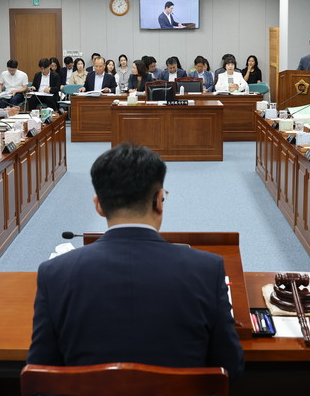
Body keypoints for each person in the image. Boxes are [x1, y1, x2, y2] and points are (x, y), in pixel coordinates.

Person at [27, 143, 244, 379]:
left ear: (99, 206)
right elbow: (231, 368)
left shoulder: (54, 273)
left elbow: (41, 373)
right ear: (159, 200)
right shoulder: (207, 270)